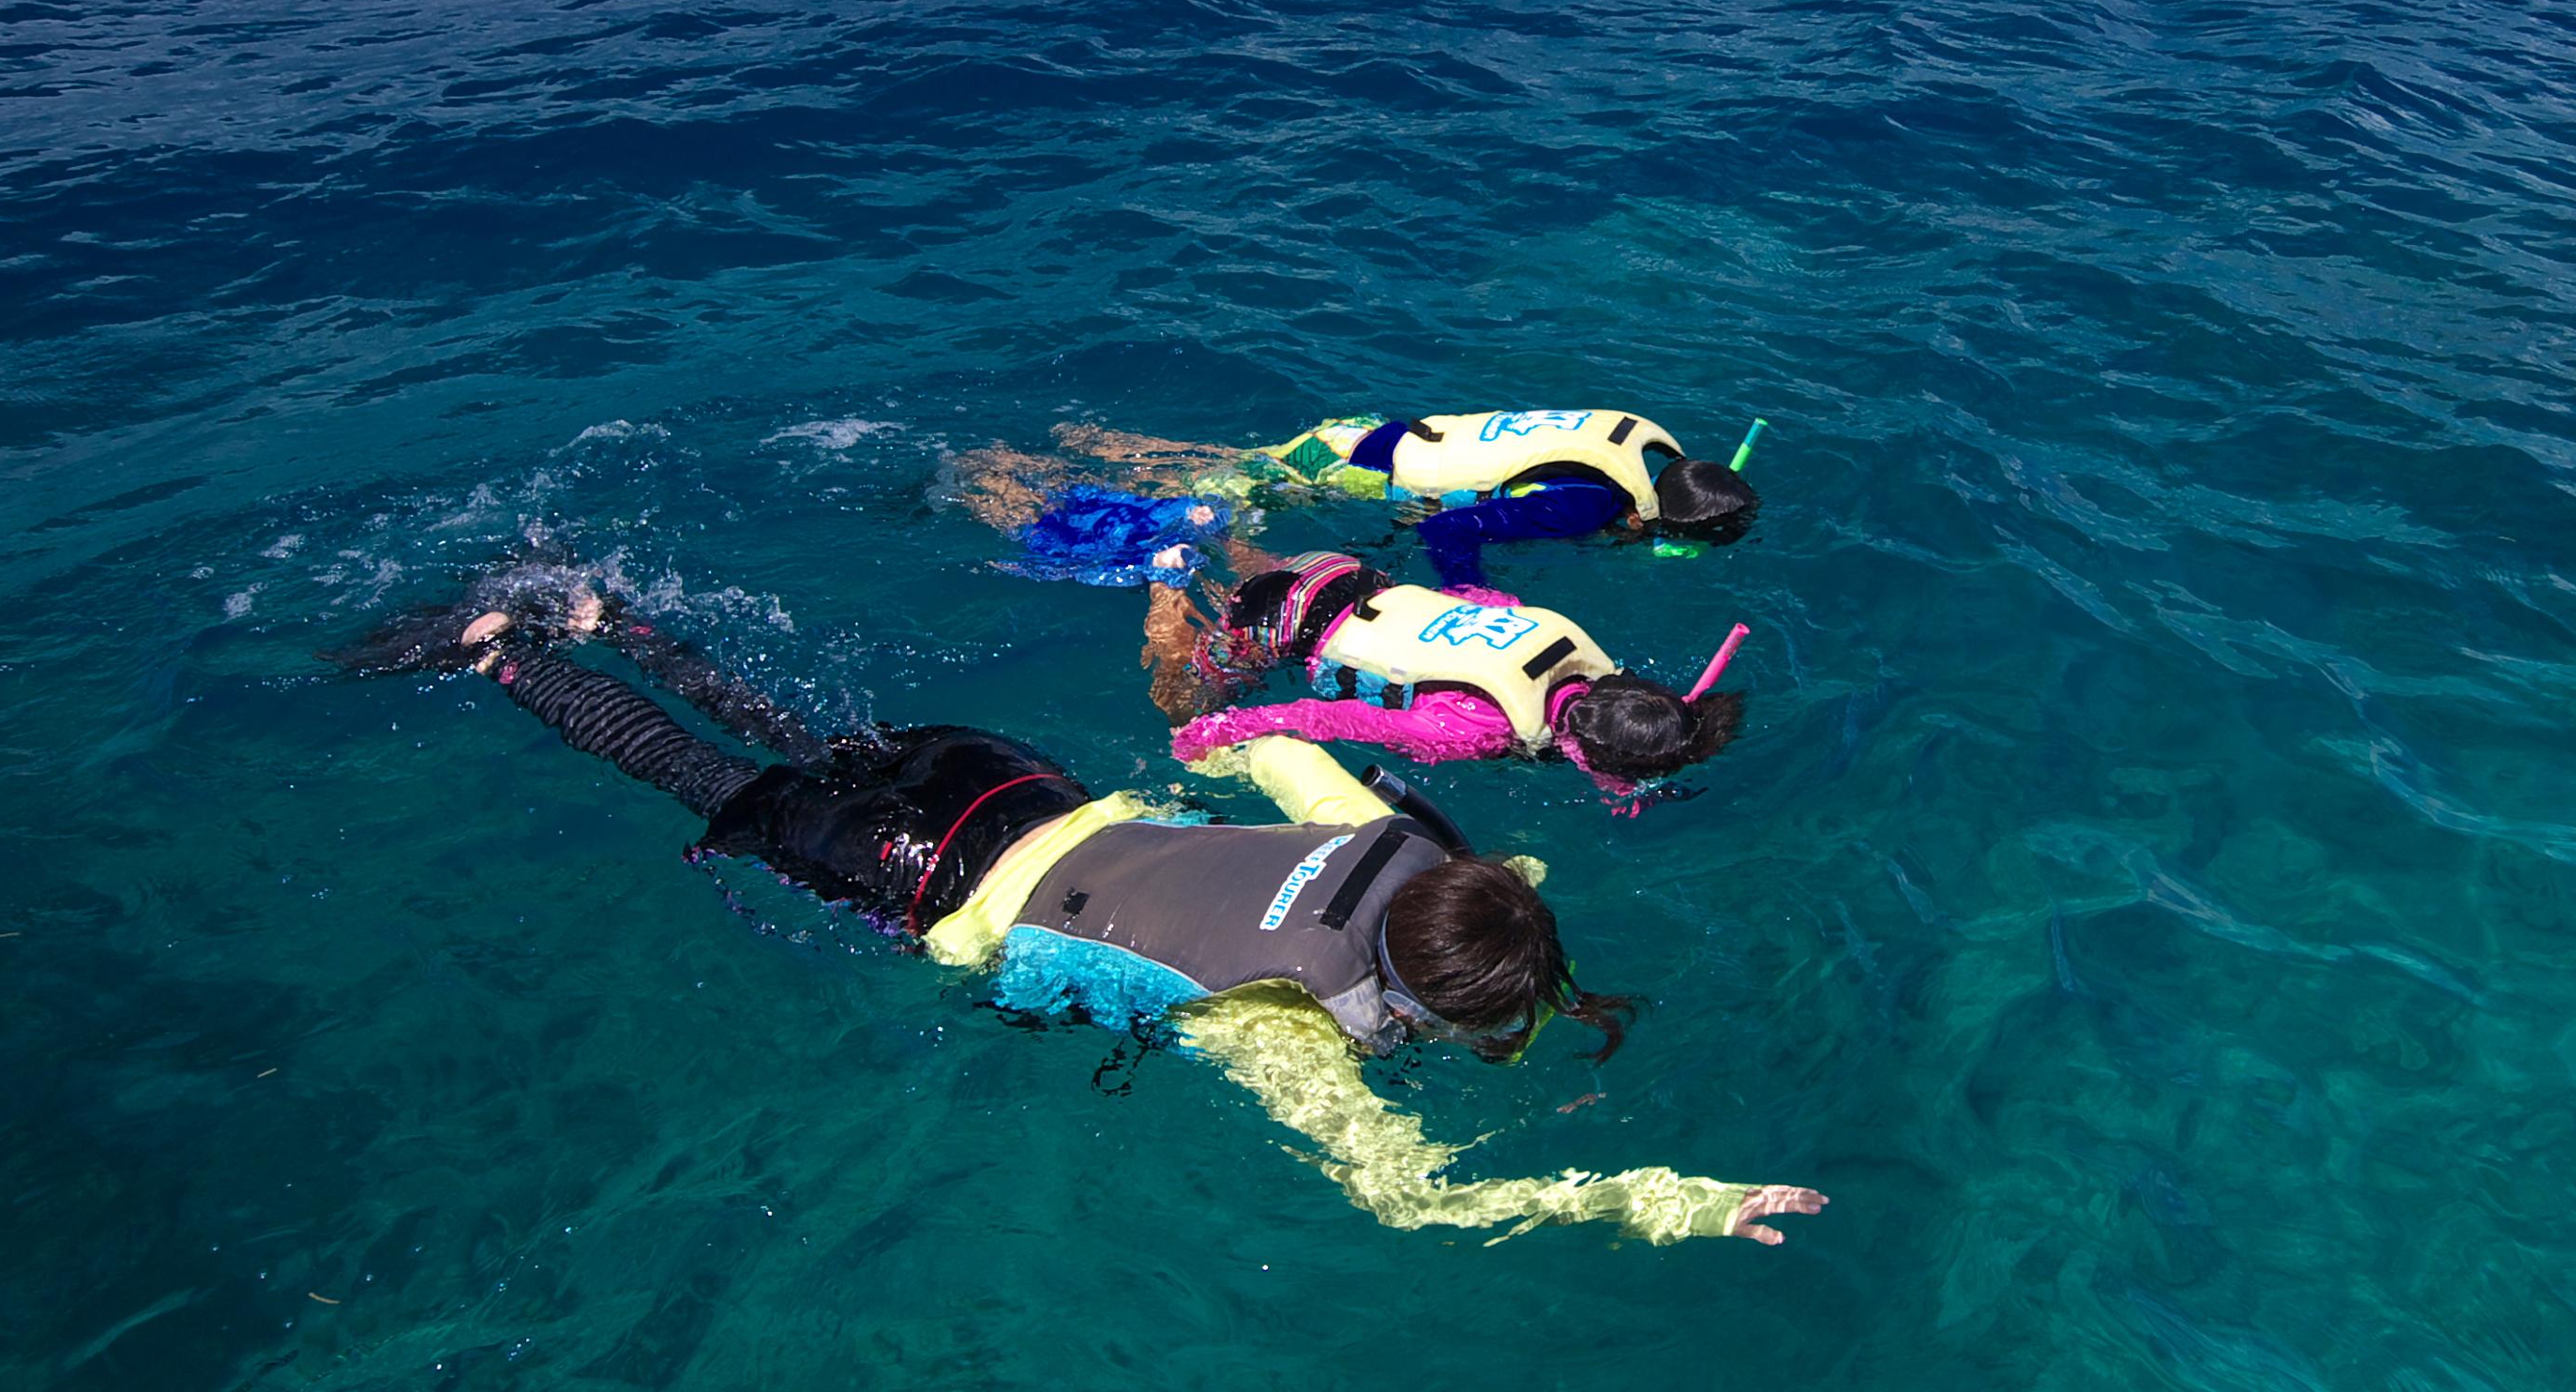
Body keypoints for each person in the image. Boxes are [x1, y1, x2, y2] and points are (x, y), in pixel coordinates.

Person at [339, 567, 1824, 1248]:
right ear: (1415, 1002)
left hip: (1016, 782)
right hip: (928, 882)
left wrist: (1203, 740)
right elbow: (1408, 1197)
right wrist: (1650, 1199)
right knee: (703, 781)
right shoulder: (1284, 1030)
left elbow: (1291, 748)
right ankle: (499, 656)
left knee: (812, 736)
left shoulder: (1406, 842)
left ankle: (612, 617)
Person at [1139, 538, 1743, 790]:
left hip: (1347, 574)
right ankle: (1162, 581)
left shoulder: (1567, 649)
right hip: (1282, 625)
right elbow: (1321, 719)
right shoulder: (1475, 730)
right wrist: (1206, 737)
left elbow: (1482, 603)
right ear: (1583, 751)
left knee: (1246, 562)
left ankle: (1213, 536)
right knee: (1182, 696)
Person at [951, 409, 1759, 590]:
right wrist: (1474, 597)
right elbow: (1451, 525)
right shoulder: (1590, 506)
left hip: (1370, 432)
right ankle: (990, 477)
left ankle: (1078, 434)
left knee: (1218, 463)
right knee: (1202, 500)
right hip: (1353, 467)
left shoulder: (1649, 449)